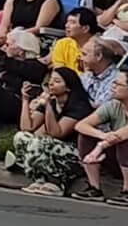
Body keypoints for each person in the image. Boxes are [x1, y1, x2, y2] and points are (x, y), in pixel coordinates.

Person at [72, 65, 128, 202]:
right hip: (116, 159)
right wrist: (102, 135)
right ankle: (94, 188)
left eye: (118, 84)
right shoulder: (113, 104)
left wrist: (100, 146)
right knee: (86, 135)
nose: (113, 86)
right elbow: (81, 125)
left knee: (127, 141)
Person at [6, 65, 89, 196]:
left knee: (42, 142)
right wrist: (25, 100)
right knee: (21, 137)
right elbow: (27, 127)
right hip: (51, 148)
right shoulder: (50, 101)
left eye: (57, 81)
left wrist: (48, 107)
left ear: (68, 87)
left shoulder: (79, 106)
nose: (51, 84)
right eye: (50, 81)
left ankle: (56, 182)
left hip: (74, 154)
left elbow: (57, 133)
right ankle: (39, 179)